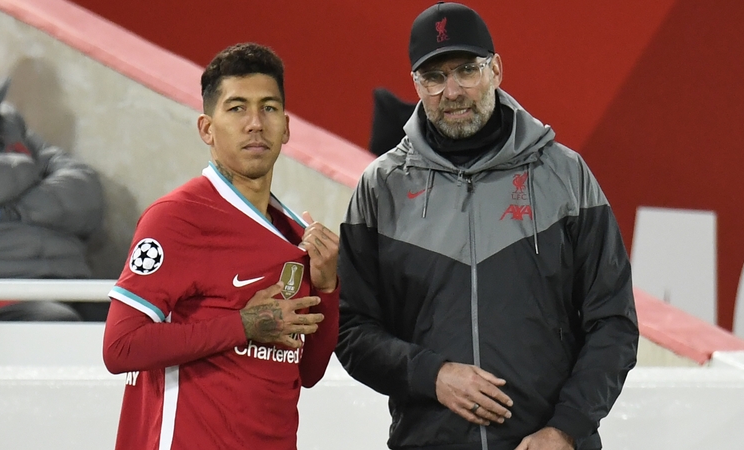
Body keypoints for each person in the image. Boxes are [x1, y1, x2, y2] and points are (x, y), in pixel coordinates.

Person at [335, 3, 639, 450]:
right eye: (434, 77)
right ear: (416, 83)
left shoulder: (565, 175)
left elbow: (613, 322)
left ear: (495, 70)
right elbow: (351, 329)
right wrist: (432, 375)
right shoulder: (381, 188)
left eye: (466, 70)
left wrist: (566, 429)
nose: (452, 90)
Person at [102, 42, 340, 450]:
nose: (255, 123)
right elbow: (120, 348)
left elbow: (309, 371)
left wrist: (328, 285)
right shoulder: (177, 218)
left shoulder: (298, 234)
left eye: (268, 108)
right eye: (236, 108)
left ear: (285, 126)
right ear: (206, 129)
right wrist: (244, 325)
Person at [0, 55, 103, 321]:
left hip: (65, 280)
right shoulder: (28, 156)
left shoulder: (8, 125)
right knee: (59, 327)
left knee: (151, 327)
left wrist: (13, 211)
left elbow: (85, 192)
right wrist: (29, 170)